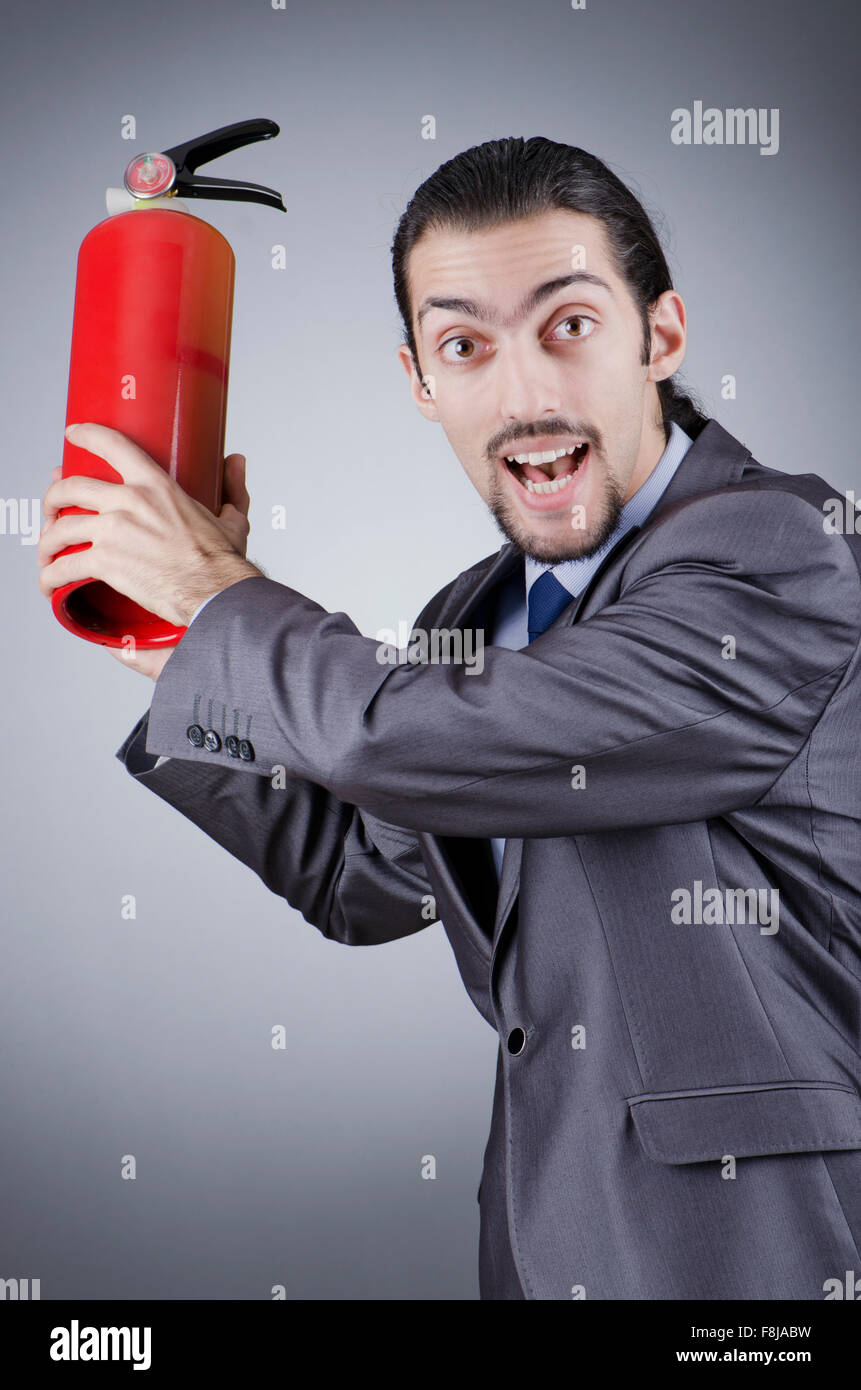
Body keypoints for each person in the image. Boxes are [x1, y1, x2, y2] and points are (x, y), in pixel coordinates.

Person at [38, 137, 861, 1300]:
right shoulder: (469, 622)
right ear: (422, 382)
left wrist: (221, 600)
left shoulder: (781, 554)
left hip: (756, 1263)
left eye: (569, 325)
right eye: (465, 345)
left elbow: (407, 735)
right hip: (539, 1247)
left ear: (659, 336)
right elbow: (360, 876)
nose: (524, 394)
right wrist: (177, 639)